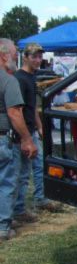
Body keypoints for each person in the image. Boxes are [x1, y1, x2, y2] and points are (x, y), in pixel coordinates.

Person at [14, 43, 63, 215]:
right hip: (23, 132)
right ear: (25, 57)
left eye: (40, 57)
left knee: (39, 165)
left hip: (32, 130)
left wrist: (40, 127)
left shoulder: (31, 77)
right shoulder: (19, 78)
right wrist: (24, 137)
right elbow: (17, 109)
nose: (38, 60)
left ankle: (40, 199)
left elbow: (32, 106)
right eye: (34, 56)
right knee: (22, 172)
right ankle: (19, 209)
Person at [0, 38, 38, 242]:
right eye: (15, 54)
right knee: (7, 182)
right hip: (3, 139)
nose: (16, 57)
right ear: (3, 55)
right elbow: (14, 113)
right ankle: (3, 226)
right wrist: (27, 139)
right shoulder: (8, 80)